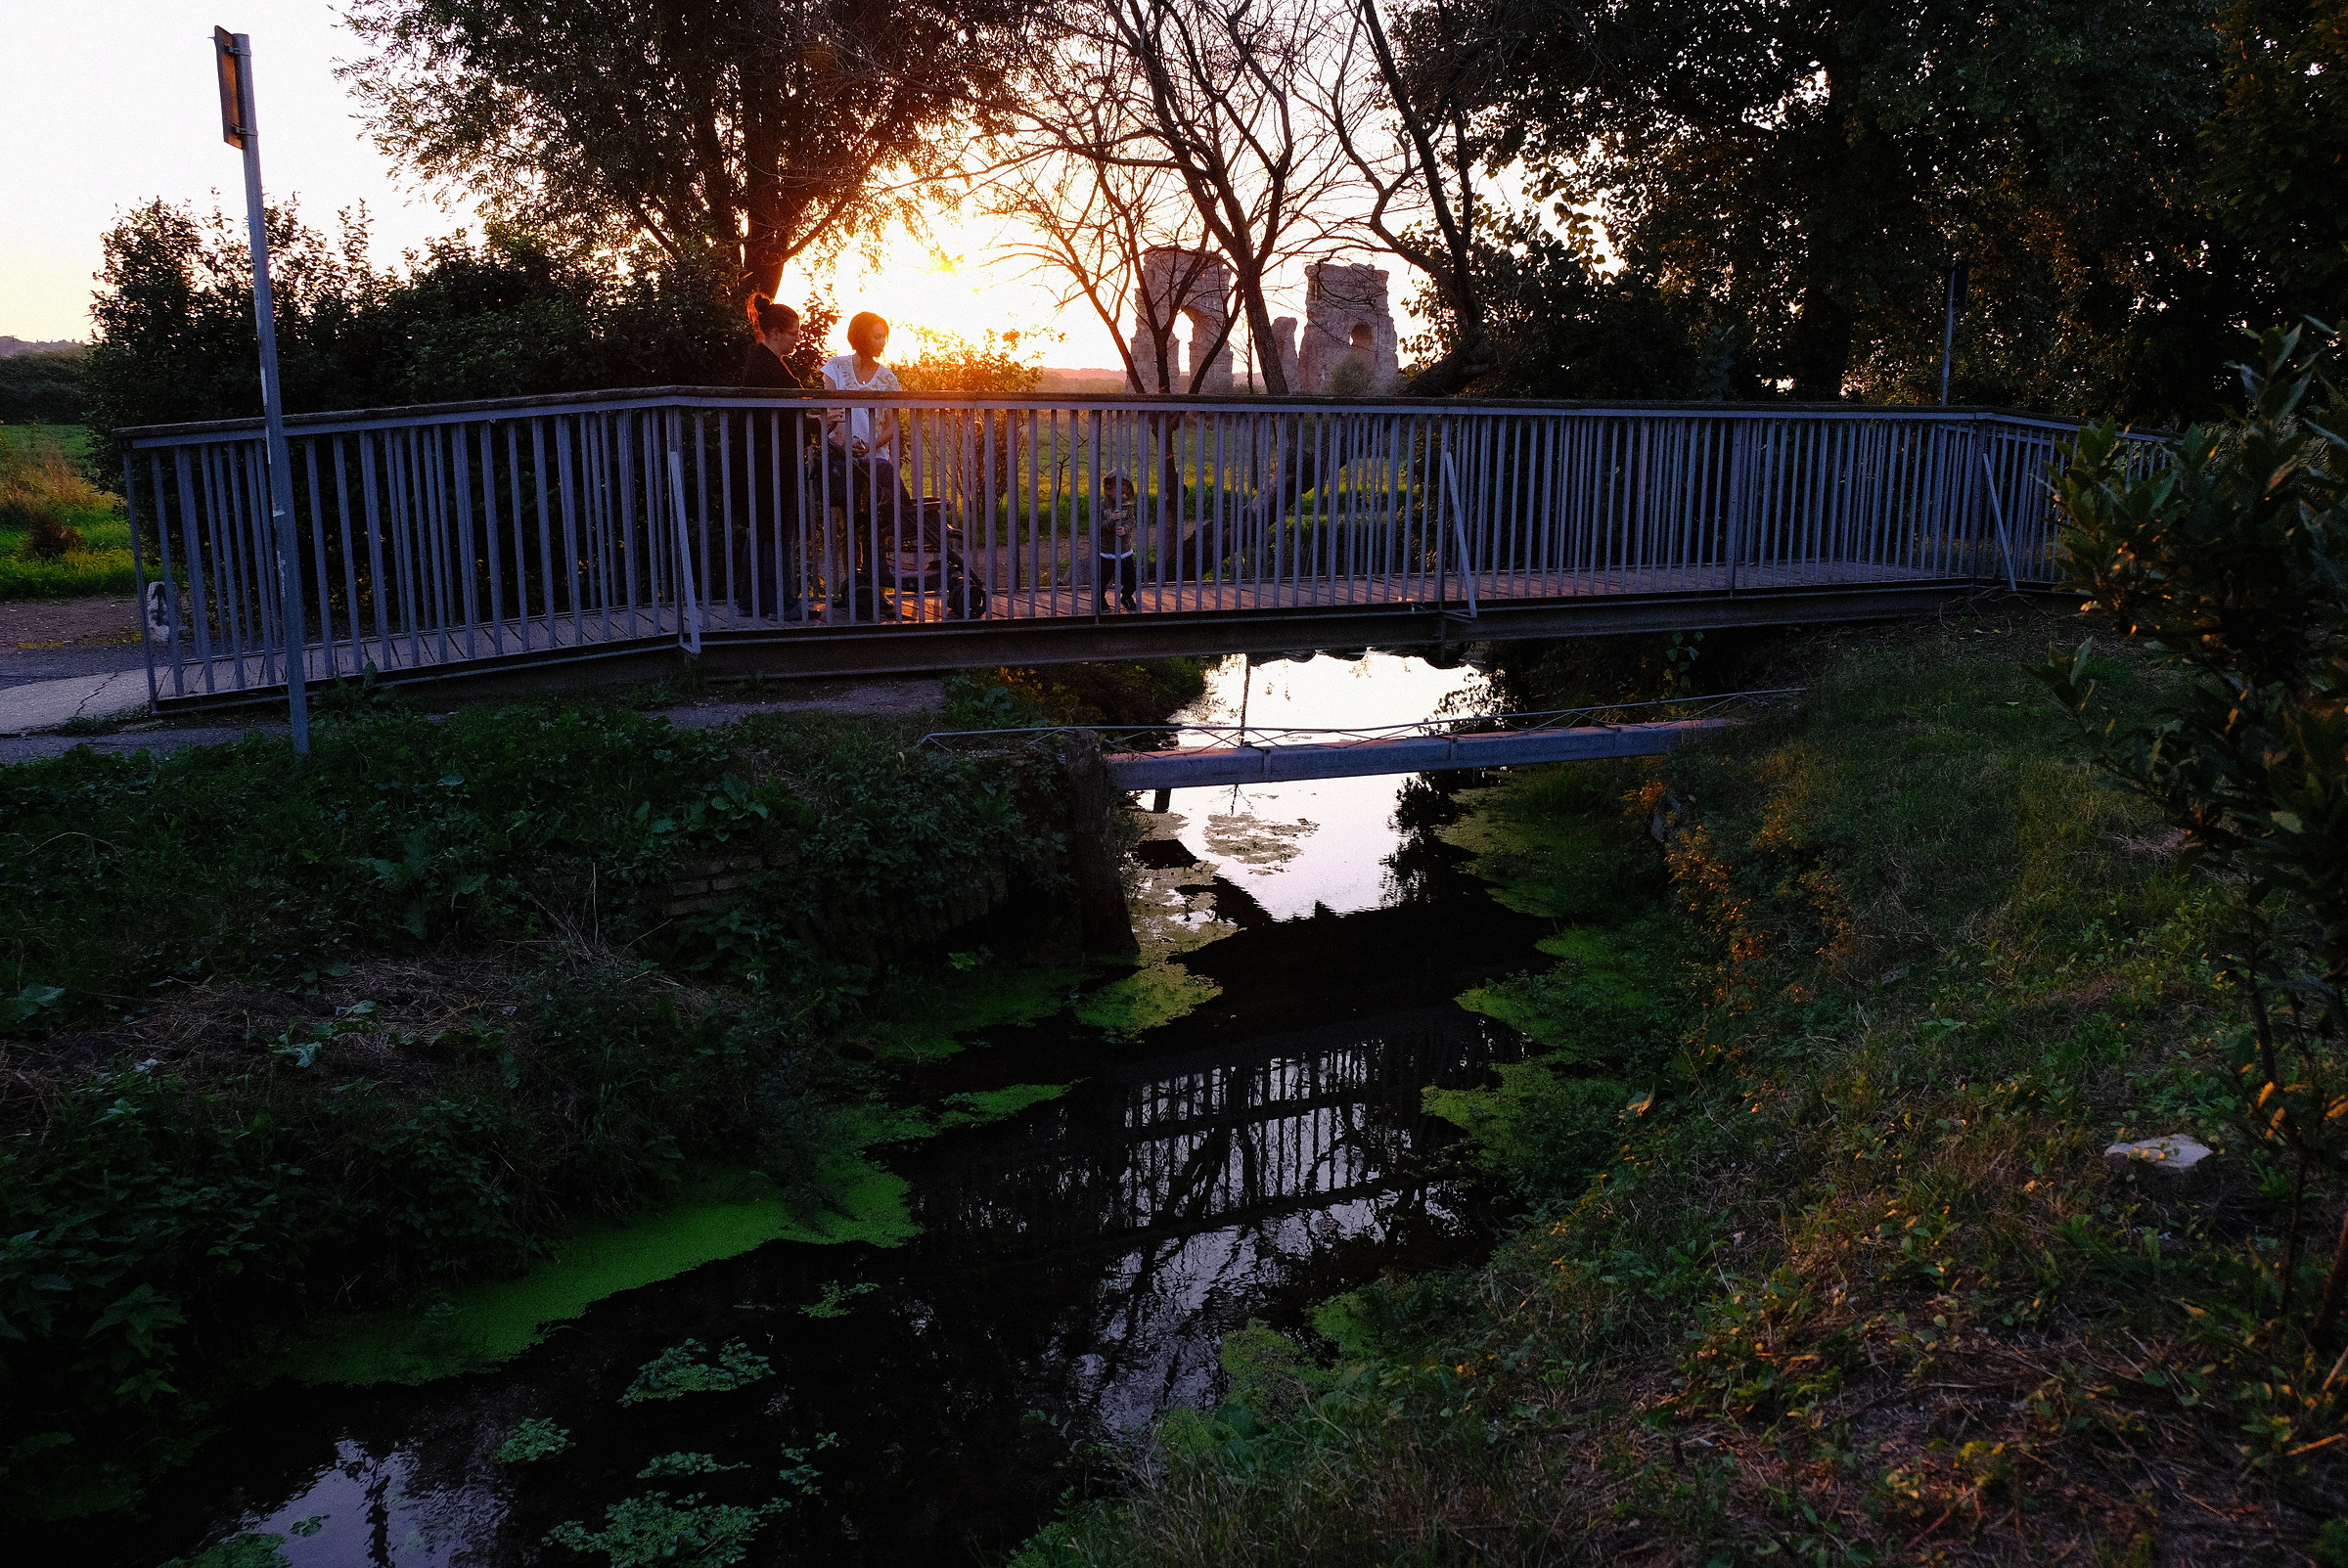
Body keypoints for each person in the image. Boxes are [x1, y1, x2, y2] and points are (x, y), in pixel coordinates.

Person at [817, 312, 919, 617]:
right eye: (877, 335)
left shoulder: (888, 378)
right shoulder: (835, 367)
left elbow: (892, 425)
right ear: (861, 336)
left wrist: (871, 446)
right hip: (842, 457)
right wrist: (844, 442)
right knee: (848, 524)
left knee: (876, 524)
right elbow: (831, 409)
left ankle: (877, 590)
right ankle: (854, 587)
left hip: (876, 461)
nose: (882, 342)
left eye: (884, 335)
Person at [1095, 471, 1142, 612]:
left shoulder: (1127, 506)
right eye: (1121, 493)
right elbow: (1099, 526)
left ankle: (1126, 597)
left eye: (1126, 493)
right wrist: (1112, 520)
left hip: (1124, 551)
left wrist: (1125, 529)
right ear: (1109, 490)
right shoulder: (1102, 506)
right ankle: (1100, 600)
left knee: (1131, 580)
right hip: (1107, 552)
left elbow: (1131, 521)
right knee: (1102, 580)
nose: (1124, 497)